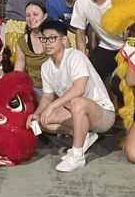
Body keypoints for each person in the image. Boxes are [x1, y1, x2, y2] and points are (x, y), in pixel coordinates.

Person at [27, 21, 116, 172]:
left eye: (52, 38)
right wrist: (37, 113)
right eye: (44, 39)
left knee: (77, 102)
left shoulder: (75, 56)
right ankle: (84, 136)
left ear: (63, 40)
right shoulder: (46, 66)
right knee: (44, 122)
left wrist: (53, 107)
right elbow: (48, 97)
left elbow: (79, 89)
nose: (47, 43)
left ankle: (77, 155)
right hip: (75, 111)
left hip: (102, 113)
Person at [70, 0, 123, 84]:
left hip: (126, 48)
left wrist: (125, 62)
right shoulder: (82, 1)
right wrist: (82, 61)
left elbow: (132, 35)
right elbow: (80, 34)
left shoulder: (117, 0)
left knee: (119, 84)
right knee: (88, 78)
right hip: (106, 47)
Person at [12, 0, 50, 99]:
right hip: (34, 90)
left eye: (35, 14)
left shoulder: (55, 37)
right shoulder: (22, 42)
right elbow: (18, 71)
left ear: (45, 16)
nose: (31, 18)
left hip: (54, 88)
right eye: (28, 15)